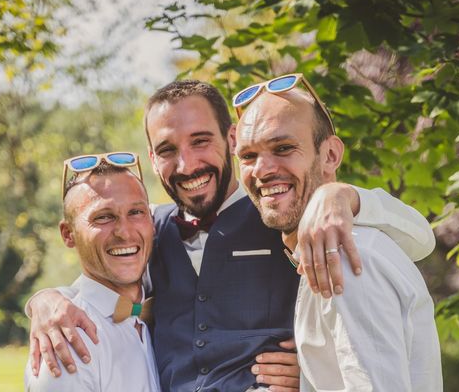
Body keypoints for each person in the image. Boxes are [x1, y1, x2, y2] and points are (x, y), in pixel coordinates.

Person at [26, 80, 436, 392]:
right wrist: (44, 302)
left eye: (200, 141)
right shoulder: (146, 228)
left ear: (230, 139)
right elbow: (112, 291)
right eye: (167, 150)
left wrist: (345, 195)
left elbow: (419, 240)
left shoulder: (284, 212)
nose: (187, 164)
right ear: (152, 159)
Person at [233, 74, 443, 391]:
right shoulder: (326, 250)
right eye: (248, 156)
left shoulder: (345, 257)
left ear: (330, 155)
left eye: (284, 147)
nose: (262, 170)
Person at [24, 158, 160, 391]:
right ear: (68, 234)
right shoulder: (69, 340)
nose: (124, 232)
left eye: (136, 212)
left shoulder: (149, 317)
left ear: (152, 222)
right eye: (103, 217)